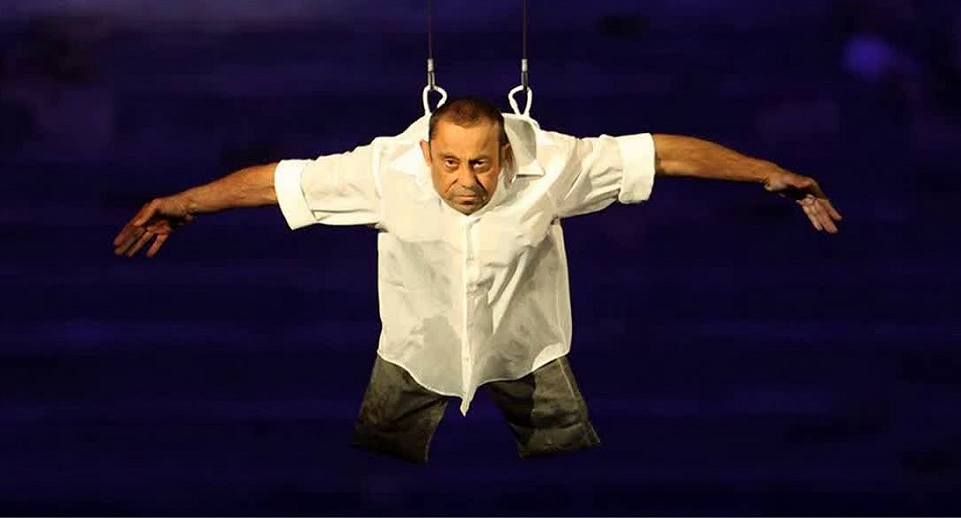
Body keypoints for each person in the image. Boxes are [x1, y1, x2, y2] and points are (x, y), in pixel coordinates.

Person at [113, 97, 842, 463]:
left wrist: (766, 173)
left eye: (483, 164)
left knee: (564, 456)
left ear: (504, 153)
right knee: (382, 453)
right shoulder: (383, 170)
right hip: (416, 351)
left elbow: (662, 153)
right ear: (428, 154)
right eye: (451, 164)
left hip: (526, 349)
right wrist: (184, 204)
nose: (466, 181)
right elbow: (278, 182)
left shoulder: (554, 164)